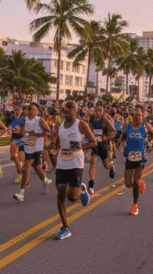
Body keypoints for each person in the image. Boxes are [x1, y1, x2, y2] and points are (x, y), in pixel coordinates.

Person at [53, 100, 98, 240]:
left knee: (71, 197)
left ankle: (82, 191)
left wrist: (80, 147)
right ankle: (65, 227)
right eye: (63, 111)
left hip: (76, 163)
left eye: (67, 111)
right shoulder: (60, 125)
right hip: (62, 163)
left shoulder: (81, 124)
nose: (64, 114)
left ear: (74, 111)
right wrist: (53, 147)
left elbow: (93, 142)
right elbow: (57, 141)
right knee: (60, 193)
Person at [14, 102, 52, 201]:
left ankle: (21, 192)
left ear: (37, 111)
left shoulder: (40, 120)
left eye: (33, 109)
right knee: (36, 168)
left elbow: (48, 131)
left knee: (26, 168)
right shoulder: (25, 120)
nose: (31, 111)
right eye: (29, 109)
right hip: (28, 146)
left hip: (36, 148)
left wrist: (37, 134)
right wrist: (18, 131)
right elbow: (23, 132)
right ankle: (46, 180)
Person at [122, 104, 153, 216]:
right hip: (129, 155)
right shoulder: (128, 125)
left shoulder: (145, 126)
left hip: (141, 156)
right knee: (127, 183)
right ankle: (140, 183)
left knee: (135, 180)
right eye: (134, 112)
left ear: (142, 114)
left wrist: (150, 142)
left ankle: (134, 205)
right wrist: (119, 143)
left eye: (138, 112)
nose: (136, 114)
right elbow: (123, 135)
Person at [86, 104, 116, 195]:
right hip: (94, 144)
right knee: (93, 163)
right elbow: (87, 127)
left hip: (103, 145)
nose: (97, 113)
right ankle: (91, 186)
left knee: (106, 165)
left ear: (102, 113)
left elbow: (114, 131)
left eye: (100, 111)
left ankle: (112, 167)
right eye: (96, 110)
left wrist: (106, 136)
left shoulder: (105, 120)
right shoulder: (90, 118)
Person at [7, 105, 26, 184]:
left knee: (21, 158)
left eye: (19, 112)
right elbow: (9, 128)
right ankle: (20, 172)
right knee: (13, 156)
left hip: (22, 139)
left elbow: (25, 132)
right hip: (14, 139)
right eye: (16, 112)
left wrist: (20, 131)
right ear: (14, 112)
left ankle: (21, 172)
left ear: (21, 112)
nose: (17, 113)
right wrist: (9, 130)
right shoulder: (12, 118)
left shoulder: (24, 119)